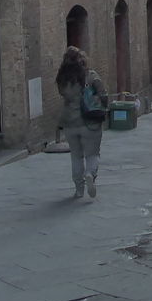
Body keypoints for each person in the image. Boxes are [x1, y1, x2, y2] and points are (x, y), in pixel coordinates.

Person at [55, 46, 107, 198]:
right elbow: (103, 93)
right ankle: (90, 174)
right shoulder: (90, 75)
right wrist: (102, 105)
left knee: (76, 156)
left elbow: (63, 94)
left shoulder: (62, 79)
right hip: (90, 122)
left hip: (69, 123)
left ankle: (79, 189)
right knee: (92, 154)